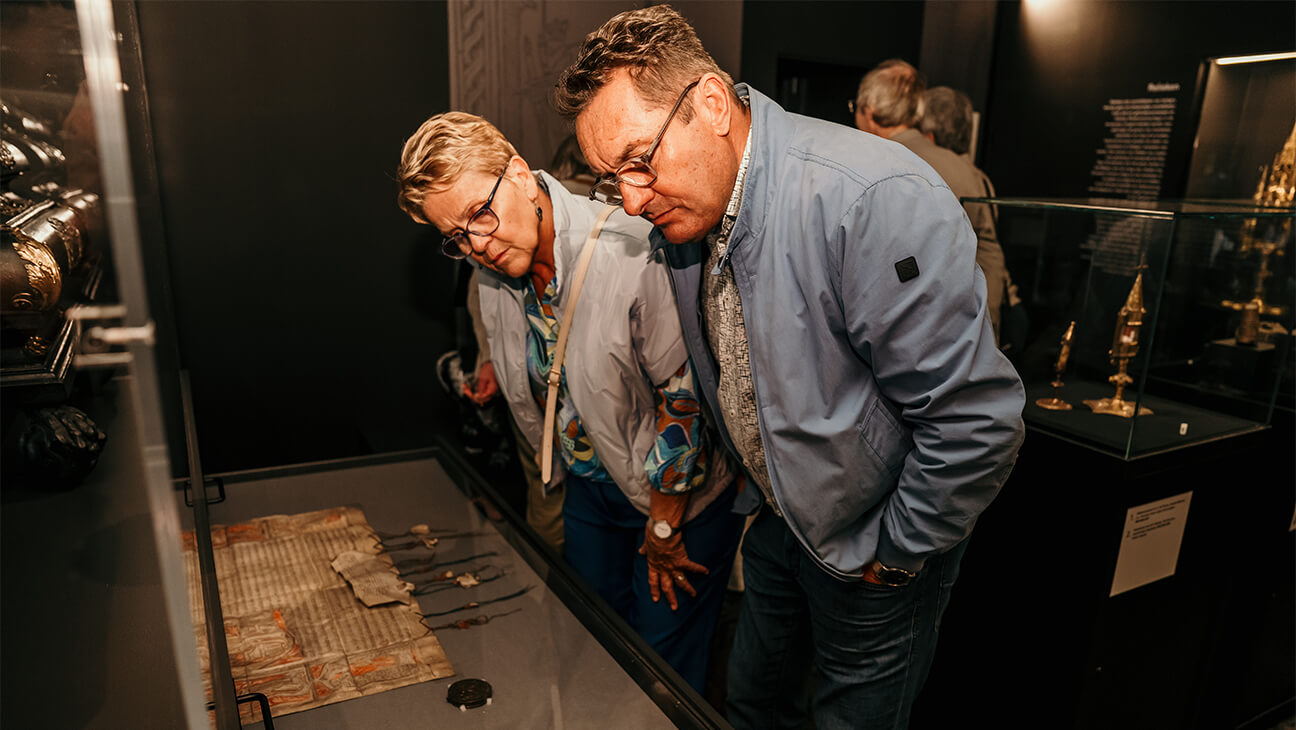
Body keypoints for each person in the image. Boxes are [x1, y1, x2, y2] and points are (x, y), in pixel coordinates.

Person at [554, 6, 1025, 728]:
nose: (632, 199)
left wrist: (898, 553)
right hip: (781, 525)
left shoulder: (869, 199)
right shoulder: (688, 213)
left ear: (713, 104)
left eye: (640, 160)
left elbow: (977, 419)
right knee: (749, 705)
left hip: (875, 544)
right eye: (611, 179)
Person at [395, 111, 744, 692]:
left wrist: (663, 527)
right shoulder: (491, 275)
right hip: (589, 487)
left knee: (661, 678)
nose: (477, 245)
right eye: (456, 237)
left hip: (676, 500)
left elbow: (684, 400)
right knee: (593, 657)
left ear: (518, 173)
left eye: (480, 214)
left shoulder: (630, 250)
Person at [854, 61, 1012, 345]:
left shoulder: (866, 163)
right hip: (961, 330)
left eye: (856, 107)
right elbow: (989, 250)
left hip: (894, 336)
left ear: (871, 111)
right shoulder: (965, 170)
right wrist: (987, 330)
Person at [918, 84, 1028, 357]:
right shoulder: (978, 177)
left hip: (960, 317)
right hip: (986, 310)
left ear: (929, 133)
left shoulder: (934, 172)